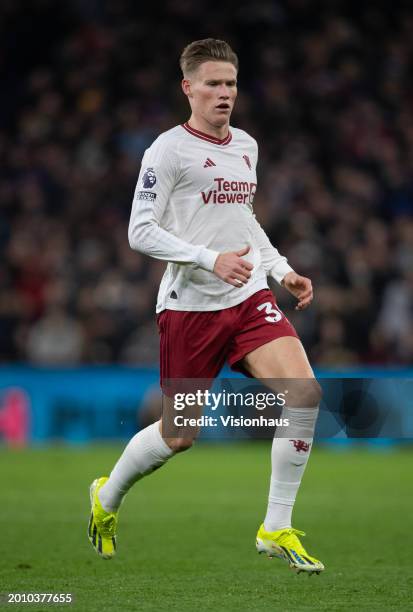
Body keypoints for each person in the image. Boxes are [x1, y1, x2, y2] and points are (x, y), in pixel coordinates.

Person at [88, 38, 324, 575]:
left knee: (305, 392)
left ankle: (275, 525)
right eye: (213, 83)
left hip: (246, 297)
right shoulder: (166, 150)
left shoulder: (246, 146)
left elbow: (243, 221)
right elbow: (139, 231)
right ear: (187, 87)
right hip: (189, 306)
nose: (224, 94)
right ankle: (106, 498)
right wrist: (207, 258)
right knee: (179, 435)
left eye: (231, 84)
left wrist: (280, 269)